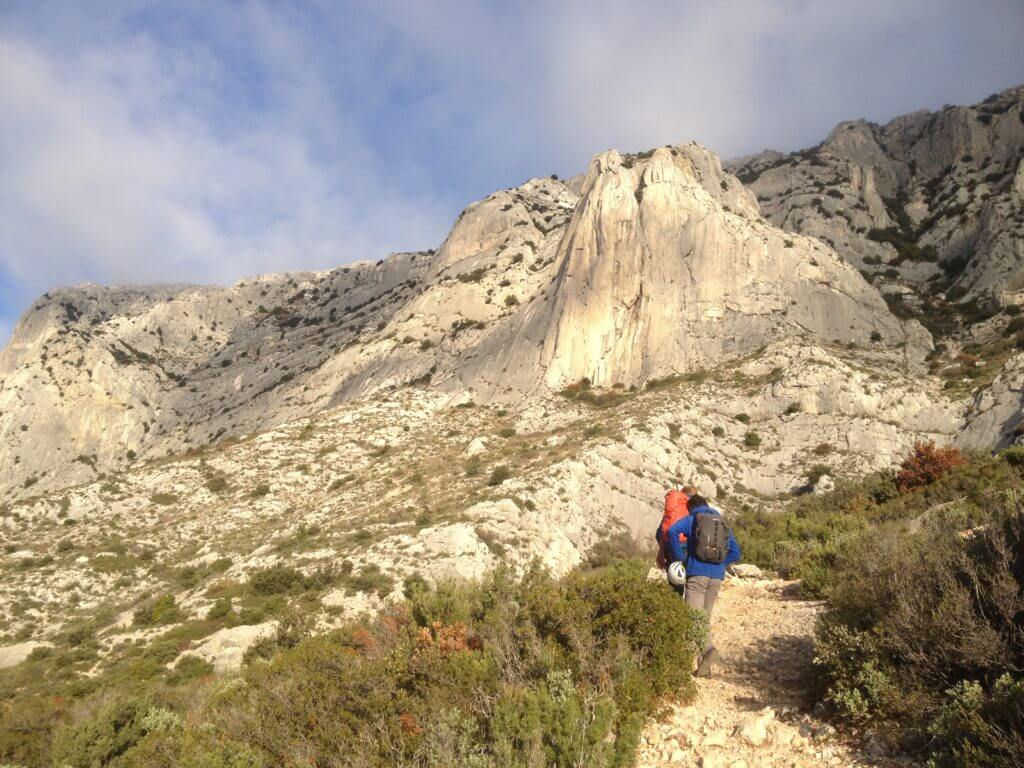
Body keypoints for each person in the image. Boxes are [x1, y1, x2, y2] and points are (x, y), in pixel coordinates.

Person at [666, 493, 741, 678]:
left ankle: (708, 649)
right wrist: (721, 564)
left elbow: (672, 531)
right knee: (704, 620)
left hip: (697, 575)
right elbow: (736, 552)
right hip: (716, 578)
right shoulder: (720, 521)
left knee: (693, 618)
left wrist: (680, 558)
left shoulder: (692, 519)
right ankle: (704, 668)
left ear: (690, 507)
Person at [654, 484, 697, 571]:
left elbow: (663, 529)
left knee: (672, 569)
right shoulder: (687, 506)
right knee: (681, 572)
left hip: (666, 541)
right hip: (682, 543)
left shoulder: (672, 503)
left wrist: (661, 551)